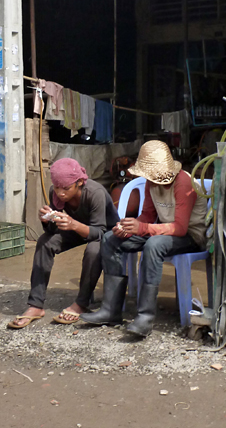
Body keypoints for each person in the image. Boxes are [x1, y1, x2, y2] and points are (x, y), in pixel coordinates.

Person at [80, 140, 207, 338]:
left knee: (153, 245)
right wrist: (129, 228)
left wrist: (143, 228)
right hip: (162, 230)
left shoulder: (184, 183)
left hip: (190, 236)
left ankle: (145, 316)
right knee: (110, 239)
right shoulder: (150, 182)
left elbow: (180, 228)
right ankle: (111, 310)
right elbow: (147, 215)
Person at [7, 158, 118, 329]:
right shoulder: (56, 192)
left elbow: (99, 233)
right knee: (45, 242)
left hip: (107, 234)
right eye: (57, 188)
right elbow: (51, 231)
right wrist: (46, 219)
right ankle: (36, 305)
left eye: (66, 188)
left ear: (79, 182)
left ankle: (81, 303)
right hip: (77, 228)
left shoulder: (95, 193)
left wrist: (74, 224)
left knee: (94, 249)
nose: (60, 193)